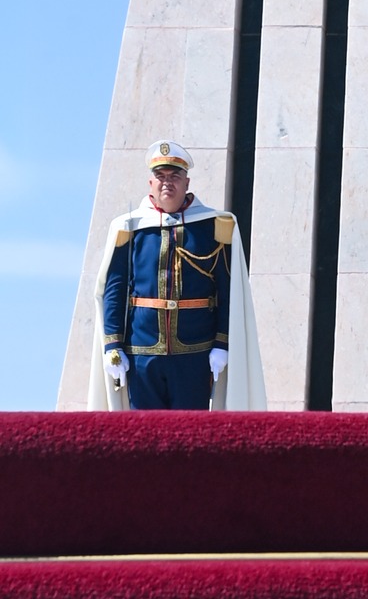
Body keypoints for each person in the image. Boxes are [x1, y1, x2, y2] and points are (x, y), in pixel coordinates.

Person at [89, 140, 267, 411]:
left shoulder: (214, 225)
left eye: (174, 176)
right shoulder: (130, 227)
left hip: (196, 353)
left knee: (189, 431)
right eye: (160, 176)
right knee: (144, 432)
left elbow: (227, 290)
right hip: (142, 352)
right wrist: (112, 345)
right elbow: (115, 288)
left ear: (187, 183)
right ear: (150, 183)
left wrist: (222, 343)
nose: (167, 183)